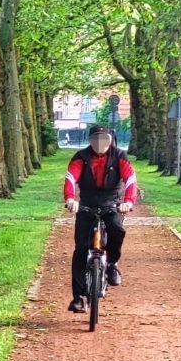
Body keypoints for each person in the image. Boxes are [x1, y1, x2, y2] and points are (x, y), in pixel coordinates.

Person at [63, 124, 137, 313]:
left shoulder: (119, 156)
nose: (100, 143)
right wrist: (71, 199)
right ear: (90, 141)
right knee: (81, 249)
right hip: (87, 203)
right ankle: (78, 297)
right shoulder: (81, 157)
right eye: (96, 139)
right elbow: (71, 177)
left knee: (117, 230)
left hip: (112, 203)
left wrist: (128, 201)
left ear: (110, 140)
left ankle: (111, 264)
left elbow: (130, 180)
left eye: (104, 139)